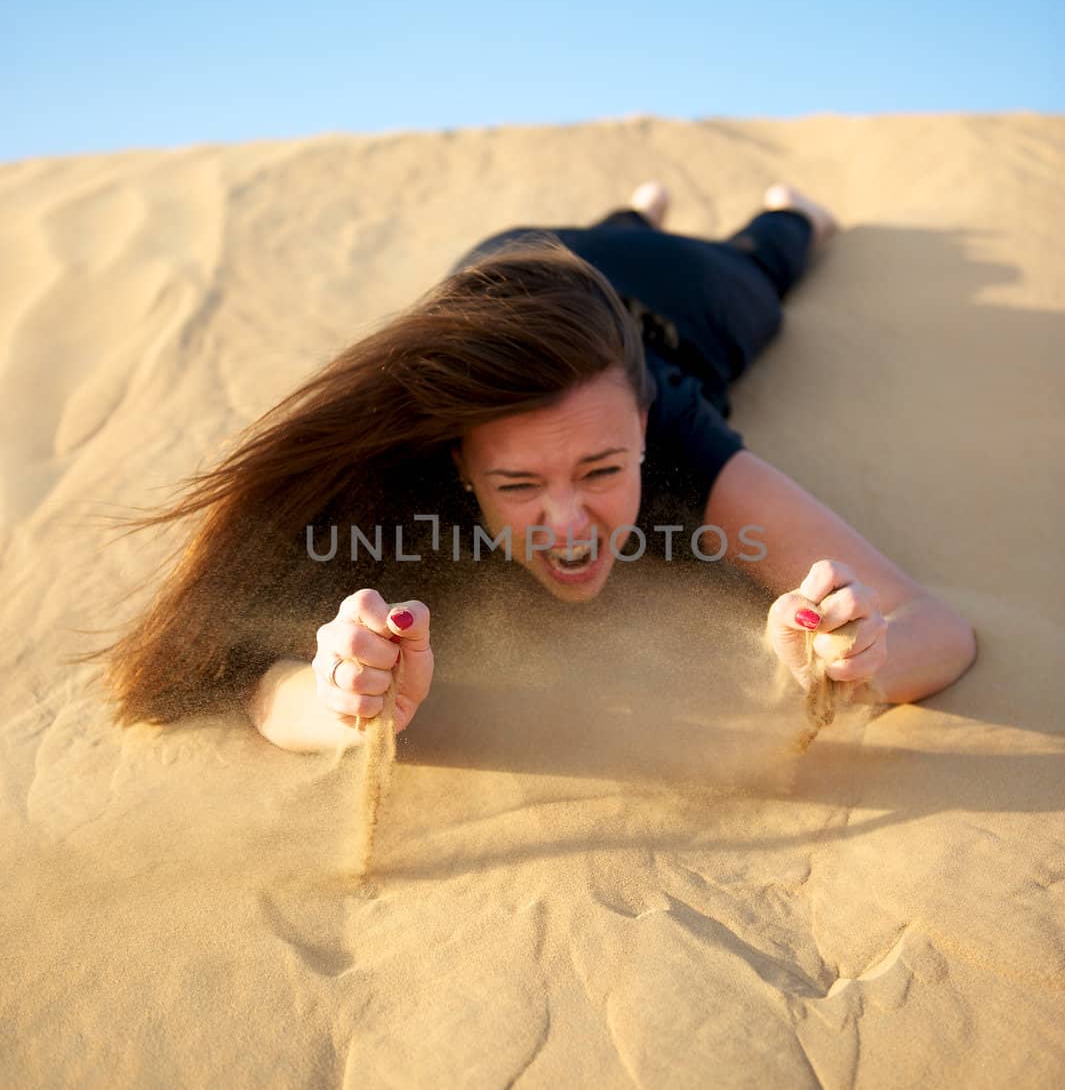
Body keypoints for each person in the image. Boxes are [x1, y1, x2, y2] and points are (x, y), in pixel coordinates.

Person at [93, 183, 977, 751]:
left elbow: (933, 627)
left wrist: (854, 659)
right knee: (587, 236)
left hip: (673, 292)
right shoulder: (411, 453)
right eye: (516, 484)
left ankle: (761, 210)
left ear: (642, 425)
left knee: (762, 265)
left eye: (600, 471)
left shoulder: (676, 426)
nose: (565, 525)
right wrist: (334, 702)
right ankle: (628, 211)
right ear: (458, 461)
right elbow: (250, 682)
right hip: (510, 262)